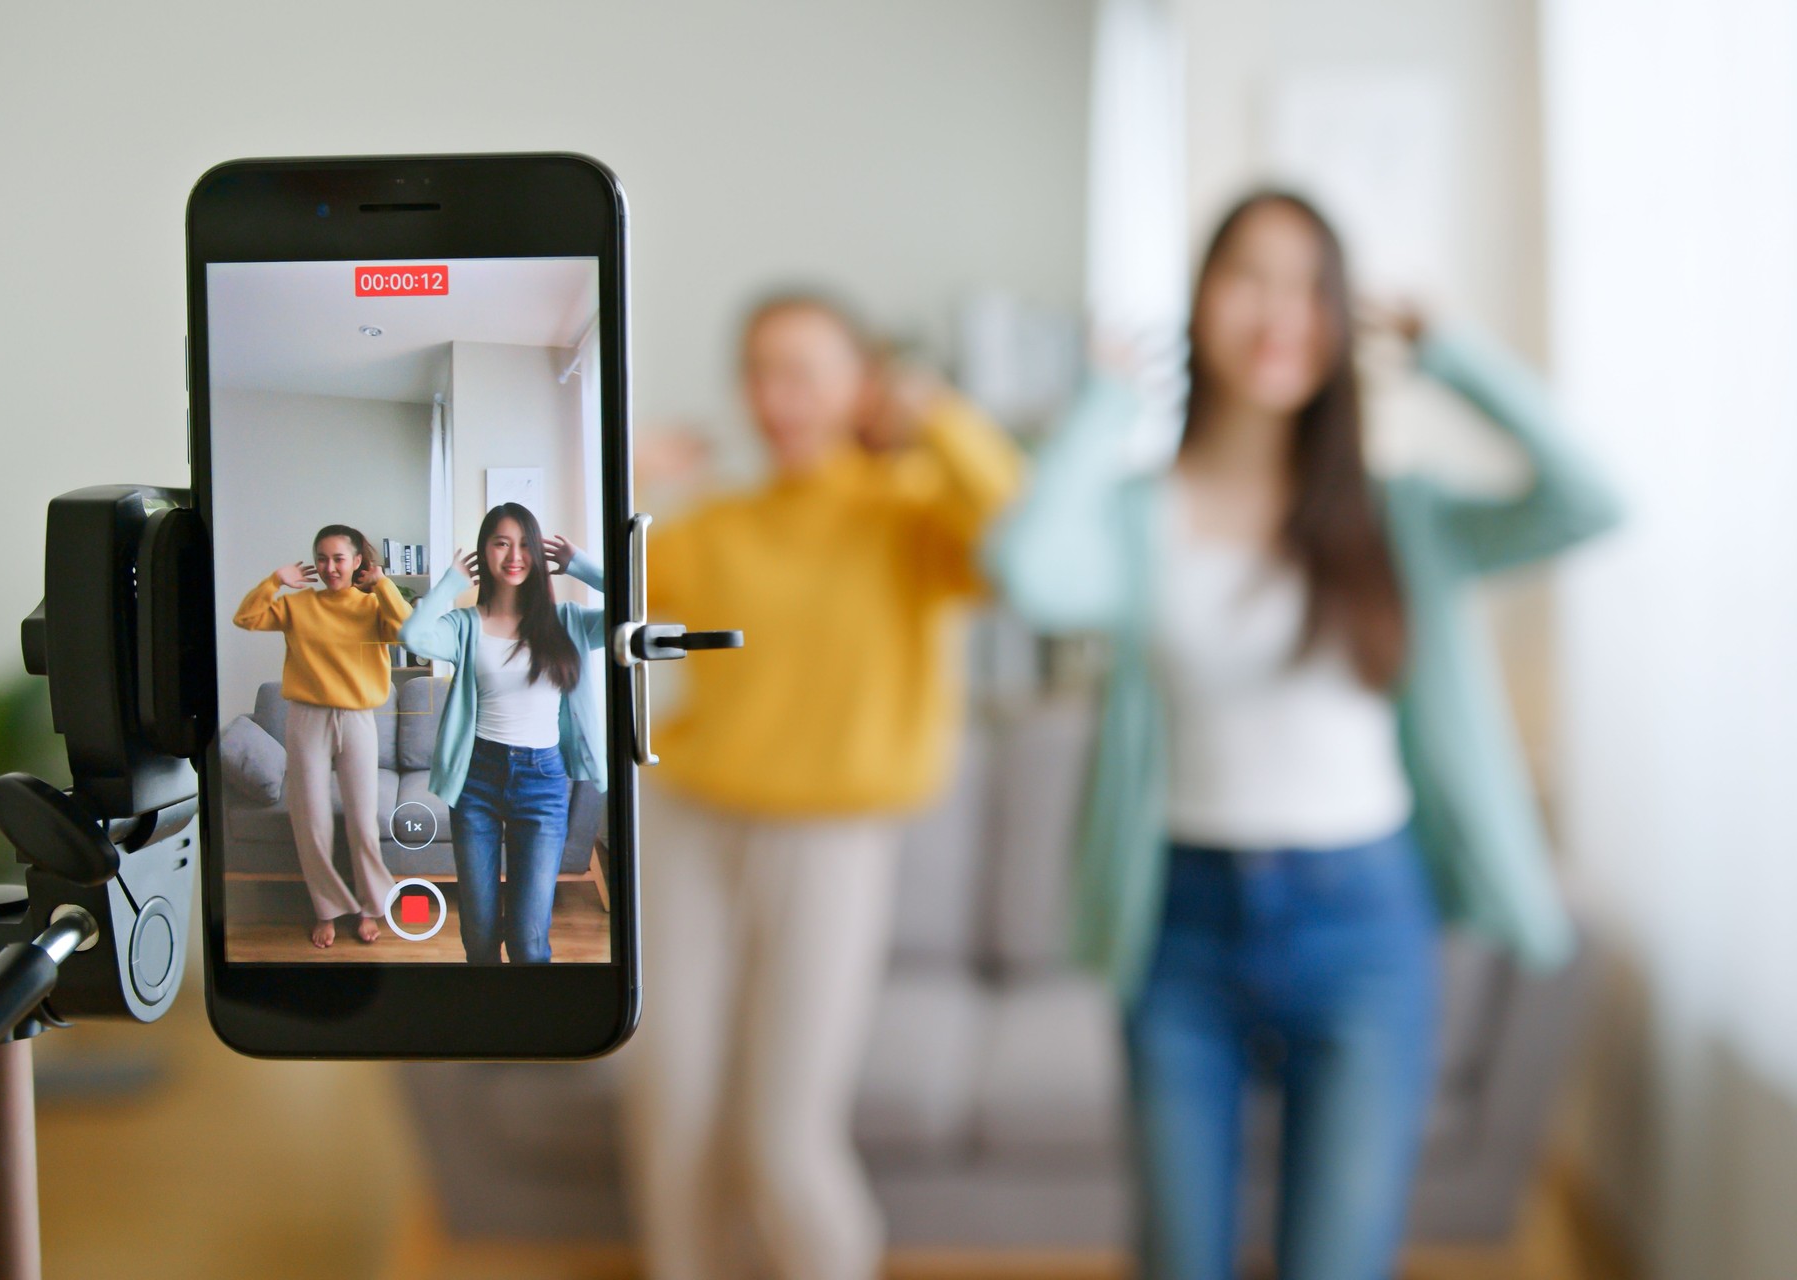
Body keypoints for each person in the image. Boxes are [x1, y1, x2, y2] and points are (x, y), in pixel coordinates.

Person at [989, 191, 1621, 1280]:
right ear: (1200, 302)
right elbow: (1026, 567)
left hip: (1365, 921)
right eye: (1248, 275)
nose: (1278, 309)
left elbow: (1589, 499)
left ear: (1340, 317)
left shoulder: (1397, 515)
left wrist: (1453, 355)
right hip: (1180, 920)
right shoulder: (1142, 514)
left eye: (1308, 282)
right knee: (1179, 1257)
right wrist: (1100, 406)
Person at [620, 293, 1023, 1280]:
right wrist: (617, 473)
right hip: (689, 826)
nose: (776, 395)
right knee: (670, 1107)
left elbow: (1026, 537)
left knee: (785, 1135)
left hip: (834, 843)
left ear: (861, 383)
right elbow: (564, 589)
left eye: (803, 369)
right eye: (760, 369)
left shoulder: (914, 514)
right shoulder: (717, 525)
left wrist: (932, 413)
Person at [398, 502, 605, 964]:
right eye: (501, 543)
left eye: (524, 544)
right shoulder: (464, 626)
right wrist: (450, 584)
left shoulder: (567, 622)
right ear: (484, 552)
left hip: (544, 781)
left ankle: (530, 1029)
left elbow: (637, 606)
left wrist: (584, 566)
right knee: (480, 933)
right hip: (477, 780)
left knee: (530, 941)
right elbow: (412, 635)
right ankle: (487, 1025)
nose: (515, 555)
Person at [234, 524, 410, 949]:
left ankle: (371, 906)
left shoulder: (372, 607)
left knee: (363, 820)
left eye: (339, 558)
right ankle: (326, 909)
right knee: (310, 819)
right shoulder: (299, 606)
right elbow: (247, 617)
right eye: (323, 558)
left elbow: (409, 630)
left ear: (356, 563)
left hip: (358, 720)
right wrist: (275, 581)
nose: (330, 568)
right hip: (307, 719)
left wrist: (383, 583)